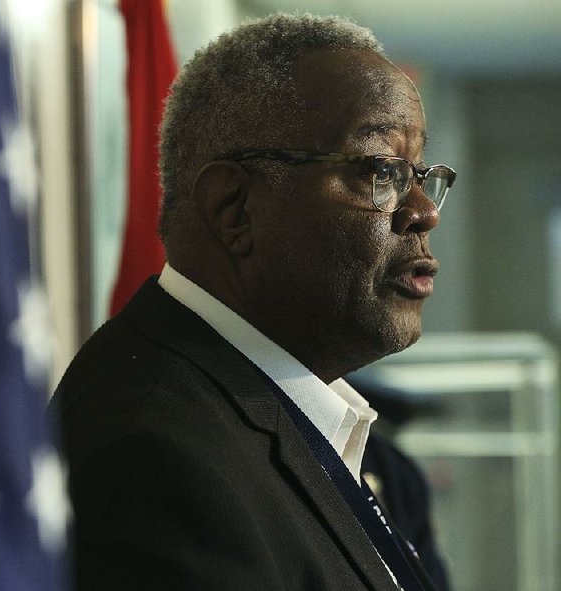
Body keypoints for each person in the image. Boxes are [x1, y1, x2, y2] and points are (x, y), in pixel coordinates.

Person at [50, 13, 457, 591]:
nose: (423, 210)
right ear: (233, 209)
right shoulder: (157, 458)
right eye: (379, 170)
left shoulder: (272, 412)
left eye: (420, 173)